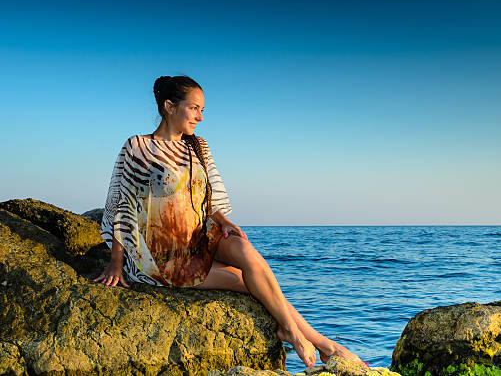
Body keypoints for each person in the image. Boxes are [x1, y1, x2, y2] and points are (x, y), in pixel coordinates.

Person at [93, 75, 367, 368]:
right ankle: (318, 341)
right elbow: (122, 206)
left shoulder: (197, 146)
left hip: (199, 238)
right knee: (243, 280)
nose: (200, 117)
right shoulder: (139, 147)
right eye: (194, 108)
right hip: (162, 256)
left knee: (246, 252)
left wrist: (223, 221)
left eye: (202, 110)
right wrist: (116, 263)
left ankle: (301, 334)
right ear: (169, 107)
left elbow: (209, 197)